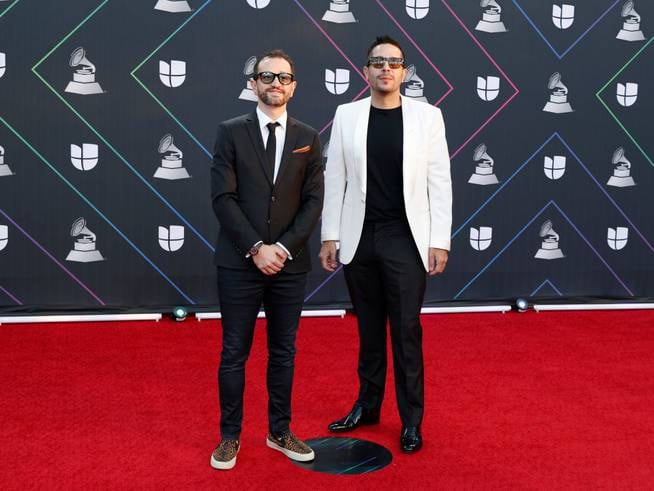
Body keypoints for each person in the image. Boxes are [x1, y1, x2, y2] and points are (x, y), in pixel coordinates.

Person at [319, 35, 452, 453]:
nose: (385, 69)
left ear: (404, 71)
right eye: (377, 62)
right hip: (360, 237)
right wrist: (330, 235)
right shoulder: (347, 115)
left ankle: (411, 420)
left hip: (405, 239)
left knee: (407, 331)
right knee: (369, 329)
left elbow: (439, 183)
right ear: (366, 71)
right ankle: (368, 406)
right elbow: (335, 178)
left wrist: (439, 240)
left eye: (394, 63)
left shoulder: (428, 117)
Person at [210, 49, 323, 470]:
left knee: (284, 351)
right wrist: (257, 249)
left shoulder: (309, 136)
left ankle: (280, 431)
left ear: (293, 86)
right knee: (234, 352)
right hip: (239, 262)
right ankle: (229, 437)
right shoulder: (230, 132)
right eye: (267, 75)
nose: (276, 83)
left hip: (290, 265)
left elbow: (313, 202)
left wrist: (284, 249)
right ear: (253, 83)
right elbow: (223, 198)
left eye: (284, 77)